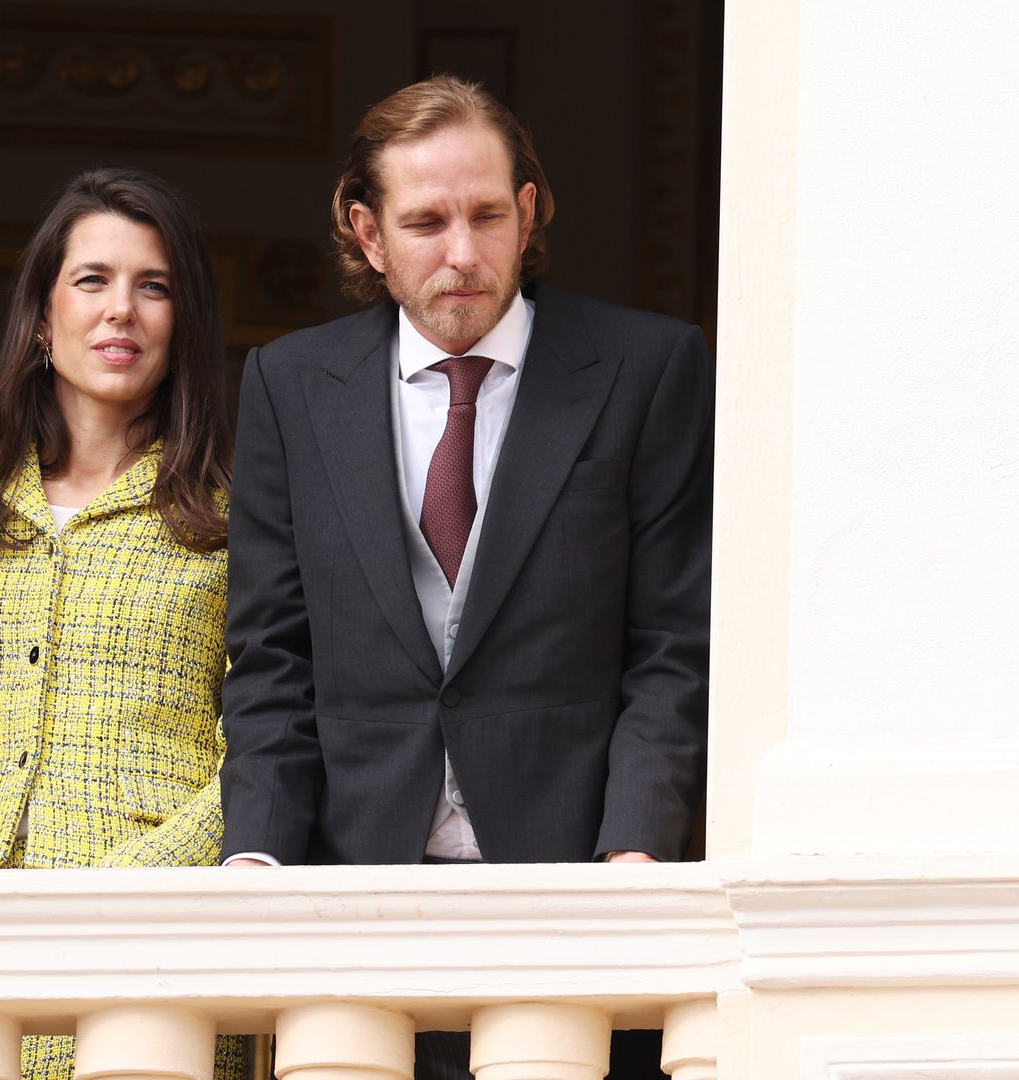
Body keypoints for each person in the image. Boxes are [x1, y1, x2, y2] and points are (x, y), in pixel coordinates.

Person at [220, 76, 711, 1080]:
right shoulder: (287, 384)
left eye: (489, 215)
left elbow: (675, 640)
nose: (462, 252)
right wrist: (257, 855)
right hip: (353, 905)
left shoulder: (647, 368)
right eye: (426, 220)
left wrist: (636, 852)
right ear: (366, 232)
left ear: (528, 213)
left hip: (577, 899)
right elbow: (270, 650)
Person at [0, 167, 244, 1080]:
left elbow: (264, 744)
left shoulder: (236, 516)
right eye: (92, 280)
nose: (121, 312)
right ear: (40, 311)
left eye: (155, 286)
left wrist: (140, 879)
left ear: (185, 323)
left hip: (156, 940)